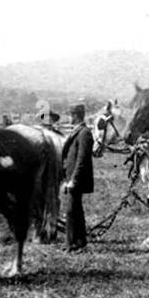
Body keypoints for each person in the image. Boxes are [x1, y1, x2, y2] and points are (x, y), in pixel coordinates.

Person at [61, 103, 94, 252]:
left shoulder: (84, 133)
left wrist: (73, 179)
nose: (68, 117)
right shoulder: (79, 131)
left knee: (71, 211)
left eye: (70, 114)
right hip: (71, 178)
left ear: (75, 115)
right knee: (75, 210)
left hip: (76, 179)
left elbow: (82, 160)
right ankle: (79, 242)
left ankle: (72, 244)